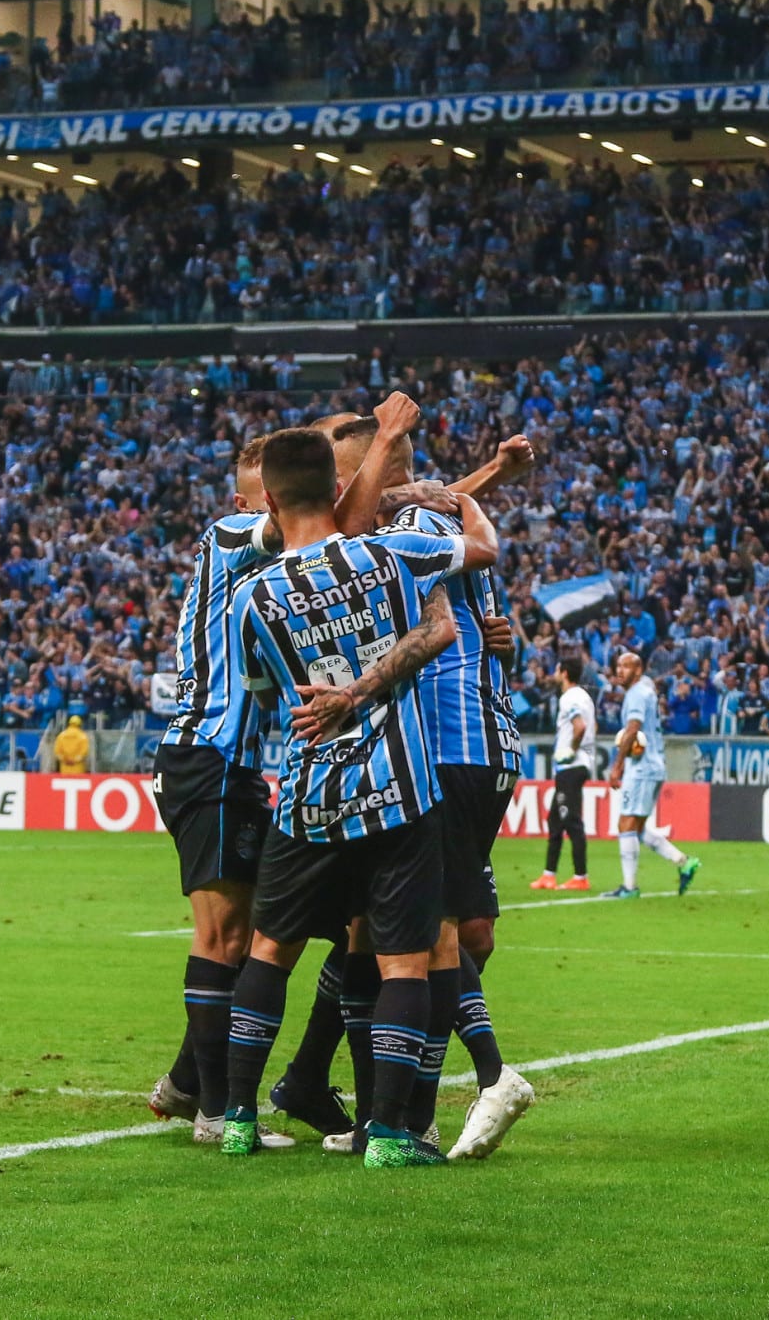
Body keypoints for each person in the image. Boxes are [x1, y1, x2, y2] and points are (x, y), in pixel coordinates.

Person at [219, 426, 490, 1168]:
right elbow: (470, 567)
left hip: (308, 797)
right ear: (337, 491)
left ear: (268, 500)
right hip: (400, 790)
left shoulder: (251, 597)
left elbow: (263, 691)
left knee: (270, 949)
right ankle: (391, 1135)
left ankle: (239, 1115)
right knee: (402, 961)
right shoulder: (385, 554)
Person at [323, 412, 538, 1160]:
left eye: (348, 475)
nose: (339, 490)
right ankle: (409, 1112)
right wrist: (487, 479)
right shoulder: (423, 512)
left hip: (448, 744)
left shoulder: (408, 522)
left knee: (424, 931)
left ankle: (481, 1079)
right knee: (444, 930)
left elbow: (464, 561)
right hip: (467, 740)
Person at [146, 434, 301, 1150]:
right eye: (272, 493)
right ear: (249, 501)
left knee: (251, 936)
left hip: (231, 770)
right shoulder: (229, 534)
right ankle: (214, 1110)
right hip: (205, 758)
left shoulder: (270, 589)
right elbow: (293, 519)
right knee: (225, 935)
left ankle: (184, 1082)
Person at [604, 651, 695, 898]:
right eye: (618, 666)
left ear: (639, 669)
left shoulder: (635, 694)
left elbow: (633, 729)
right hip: (653, 766)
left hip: (642, 768)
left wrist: (617, 765)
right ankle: (684, 862)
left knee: (625, 824)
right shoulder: (645, 690)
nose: (620, 670)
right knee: (639, 828)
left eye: (626, 666)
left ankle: (630, 887)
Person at [534, 657, 596, 890]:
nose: (554, 672)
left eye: (557, 668)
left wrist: (571, 750)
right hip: (578, 765)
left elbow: (579, 727)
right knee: (556, 819)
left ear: (564, 672)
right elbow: (592, 727)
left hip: (570, 765)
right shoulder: (586, 698)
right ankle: (548, 875)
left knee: (571, 820)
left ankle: (581, 877)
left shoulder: (570, 697)